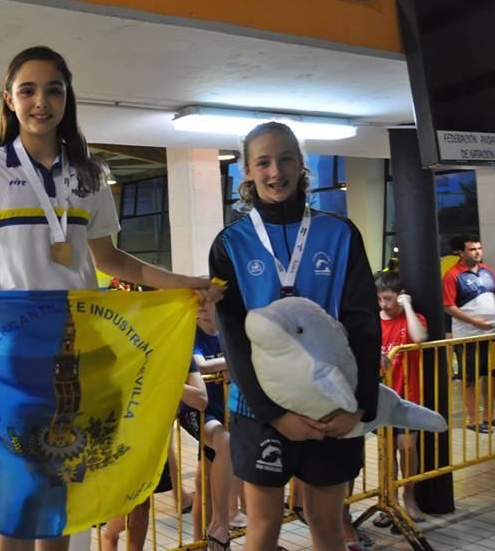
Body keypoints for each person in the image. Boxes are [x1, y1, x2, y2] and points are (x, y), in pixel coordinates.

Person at [0, 46, 224, 551]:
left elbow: (113, 260)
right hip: (13, 352)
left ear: (66, 98)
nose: (41, 101)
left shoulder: (89, 173)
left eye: (54, 90)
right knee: (16, 490)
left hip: (79, 346)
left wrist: (182, 282)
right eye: (28, 90)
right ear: (8, 99)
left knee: (61, 484)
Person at [209, 121, 381, 551]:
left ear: (301, 164)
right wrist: (272, 413)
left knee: (327, 525)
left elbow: (363, 323)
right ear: (248, 170)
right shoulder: (231, 243)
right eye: (263, 162)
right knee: (263, 528)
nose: (276, 172)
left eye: (285, 159)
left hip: (331, 405)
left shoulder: (339, 233)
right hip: (258, 411)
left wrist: (360, 405)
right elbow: (234, 338)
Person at [102, 358, 208, 551]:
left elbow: (201, 400)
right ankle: (109, 538)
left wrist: (166, 379)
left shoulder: (179, 352)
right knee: (128, 513)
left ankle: (112, 537)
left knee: (142, 506)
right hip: (125, 435)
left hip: (154, 438)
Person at [185, 301, 242, 550]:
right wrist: (229, 362)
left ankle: (203, 542)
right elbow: (200, 365)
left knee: (204, 484)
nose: (199, 305)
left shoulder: (228, 329)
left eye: (205, 299)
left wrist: (228, 363)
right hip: (198, 411)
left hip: (223, 412)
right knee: (224, 445)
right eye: (195, 300)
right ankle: (219, 524)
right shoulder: (191, 333)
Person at [373, 270, 428, 526]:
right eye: (379, 299)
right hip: (382, 398)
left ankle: (409, 496)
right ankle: (390, 501)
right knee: (387, 452)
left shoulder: (412, 318)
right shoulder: (373, 321)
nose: (384, 304)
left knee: (407, 447)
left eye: (388, 298)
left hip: (408, 395)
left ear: (400, 295)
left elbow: (420, 338)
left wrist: (407, 307)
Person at [442, 234, 495, 432]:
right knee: (470, 378)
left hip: (490, 333)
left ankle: (489, 416)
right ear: (460, 252)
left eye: (479, 248)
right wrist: (474, 322)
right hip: (468, 336)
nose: (477, 252)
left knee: (491, 375)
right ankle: (473, 420)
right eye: (472, 249)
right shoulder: (452, 275)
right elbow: (448, 306)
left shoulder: (487, 270)